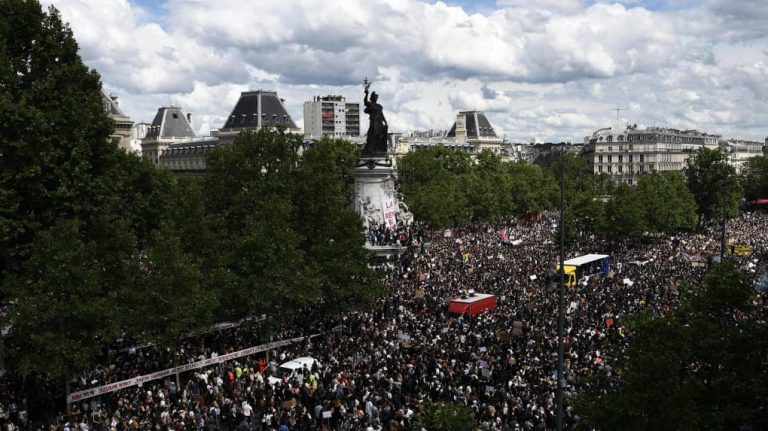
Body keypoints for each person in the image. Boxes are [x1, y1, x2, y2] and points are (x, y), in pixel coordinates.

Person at [363, 88, 388, 154]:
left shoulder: (379, 106)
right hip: (374, 122)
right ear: (372, 98)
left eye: (377, 97)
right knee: (372, 133)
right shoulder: (371, 104)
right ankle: (370, 148)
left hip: (379, 122)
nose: (376, 98)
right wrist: (366, 94)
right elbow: (365, 102)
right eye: (375, 97)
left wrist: (385, 122)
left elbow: (382, 114)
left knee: (379, 135)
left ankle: (377, 148)